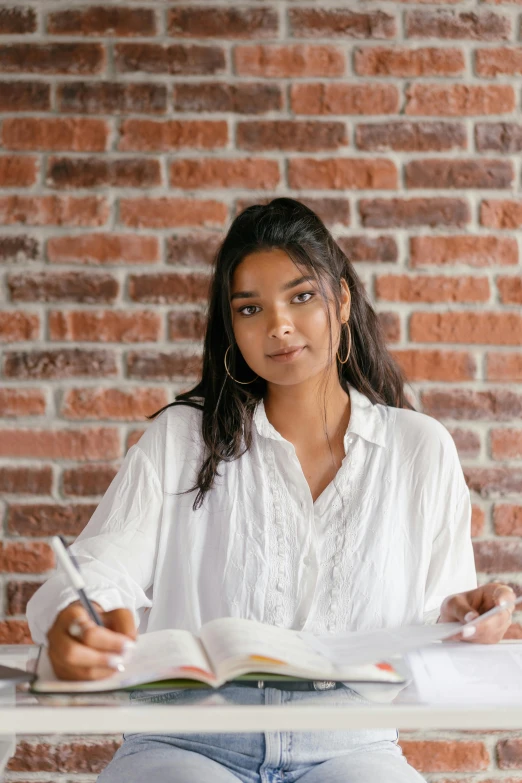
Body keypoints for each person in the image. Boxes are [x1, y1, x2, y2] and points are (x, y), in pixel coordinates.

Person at [27, 198, 515, 783]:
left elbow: (437, 621)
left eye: (301, 296)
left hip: (350, 746)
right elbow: (92, 572)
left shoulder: (420, 449)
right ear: (231, 328)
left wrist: (464, 618)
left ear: (342, 300)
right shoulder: (182, 438)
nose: (278, 324)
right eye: (251, 308)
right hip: (186, 740)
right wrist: (81, 619)